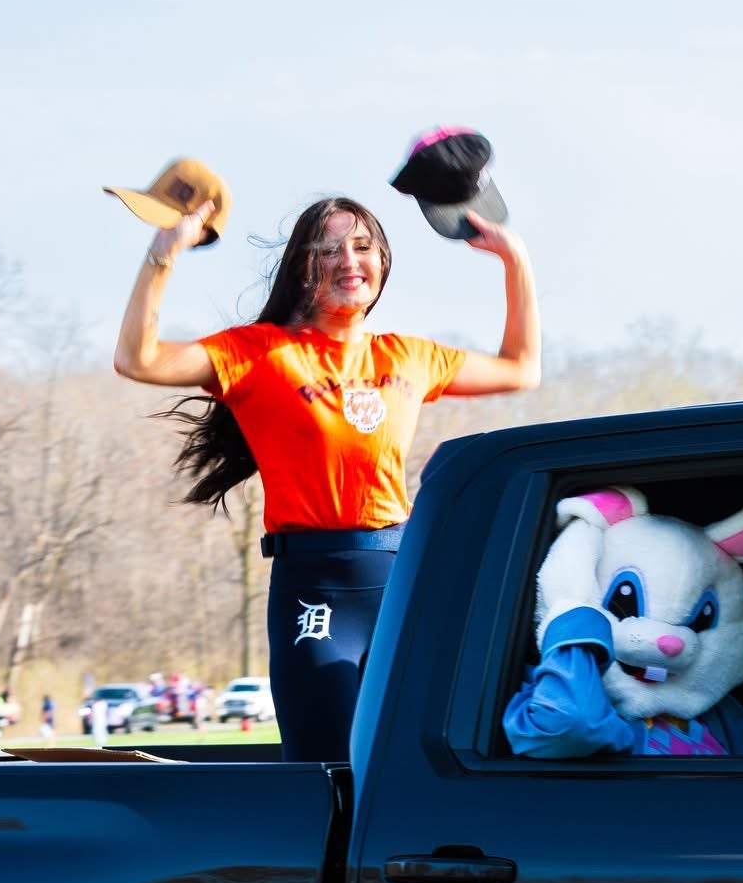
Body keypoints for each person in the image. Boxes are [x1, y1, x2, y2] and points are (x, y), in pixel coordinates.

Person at [112, 179, 540, 762]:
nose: (349, 260)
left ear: (383, 262)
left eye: (363, 247)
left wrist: (514, 260)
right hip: (313, 593)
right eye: (328, 249)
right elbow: (137, 359)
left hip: (403, 583)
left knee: (421, 768)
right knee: (326, 773)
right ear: (301, 268)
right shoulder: (257, 353)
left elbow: (521, 368)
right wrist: (163, 254)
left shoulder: (409, 357)